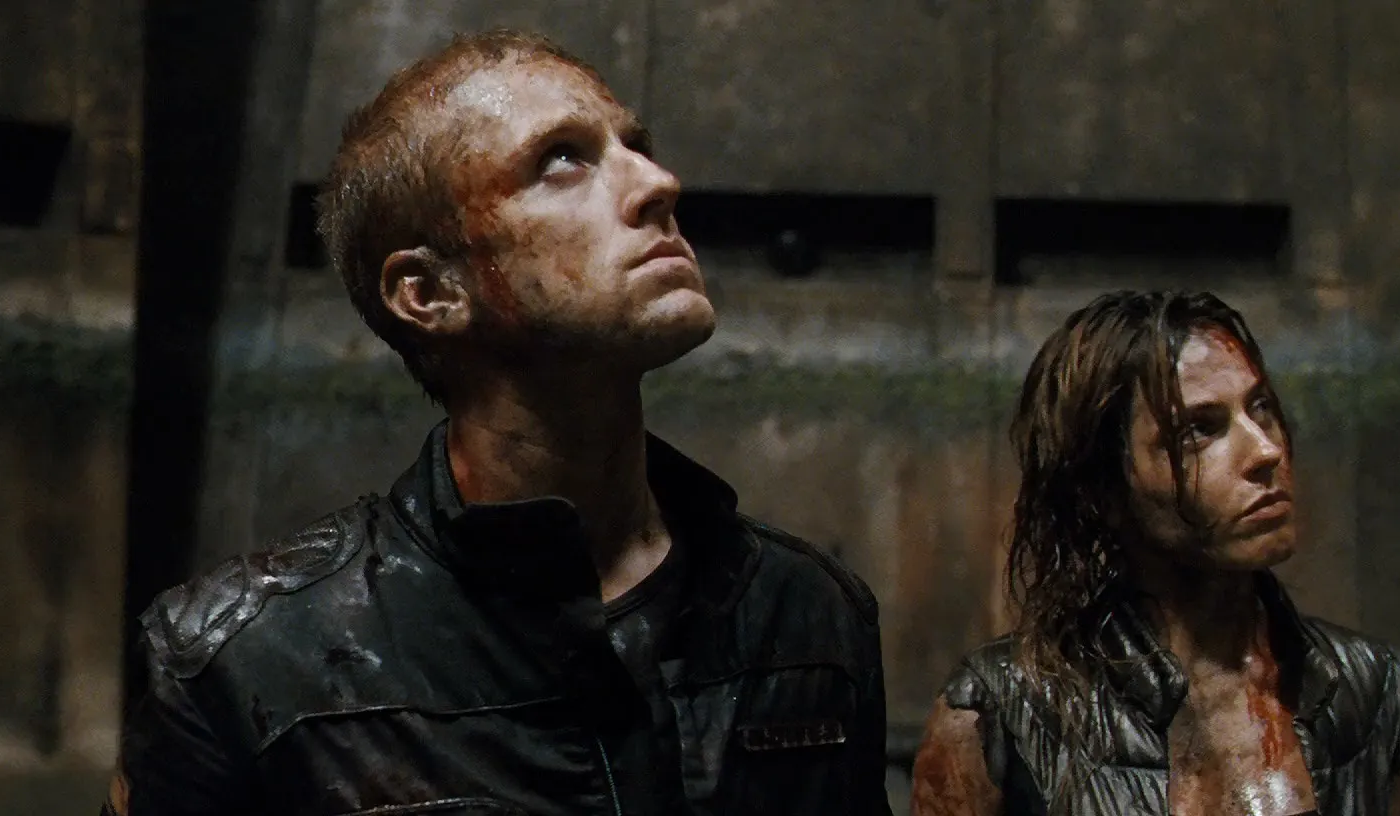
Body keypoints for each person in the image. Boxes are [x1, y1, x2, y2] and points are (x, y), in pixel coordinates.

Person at [103, 29, 890, 816]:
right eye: (562, 160)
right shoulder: (245, 664)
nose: (659, 183)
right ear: (428, 293)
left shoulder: (808, 614)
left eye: (637, 147)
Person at [910, 290, 1400, 815]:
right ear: (1104, 490)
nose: (1266, 451)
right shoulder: (1000, 711)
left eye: (1261, 409)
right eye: (1199, 430)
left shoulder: (1379, 695)